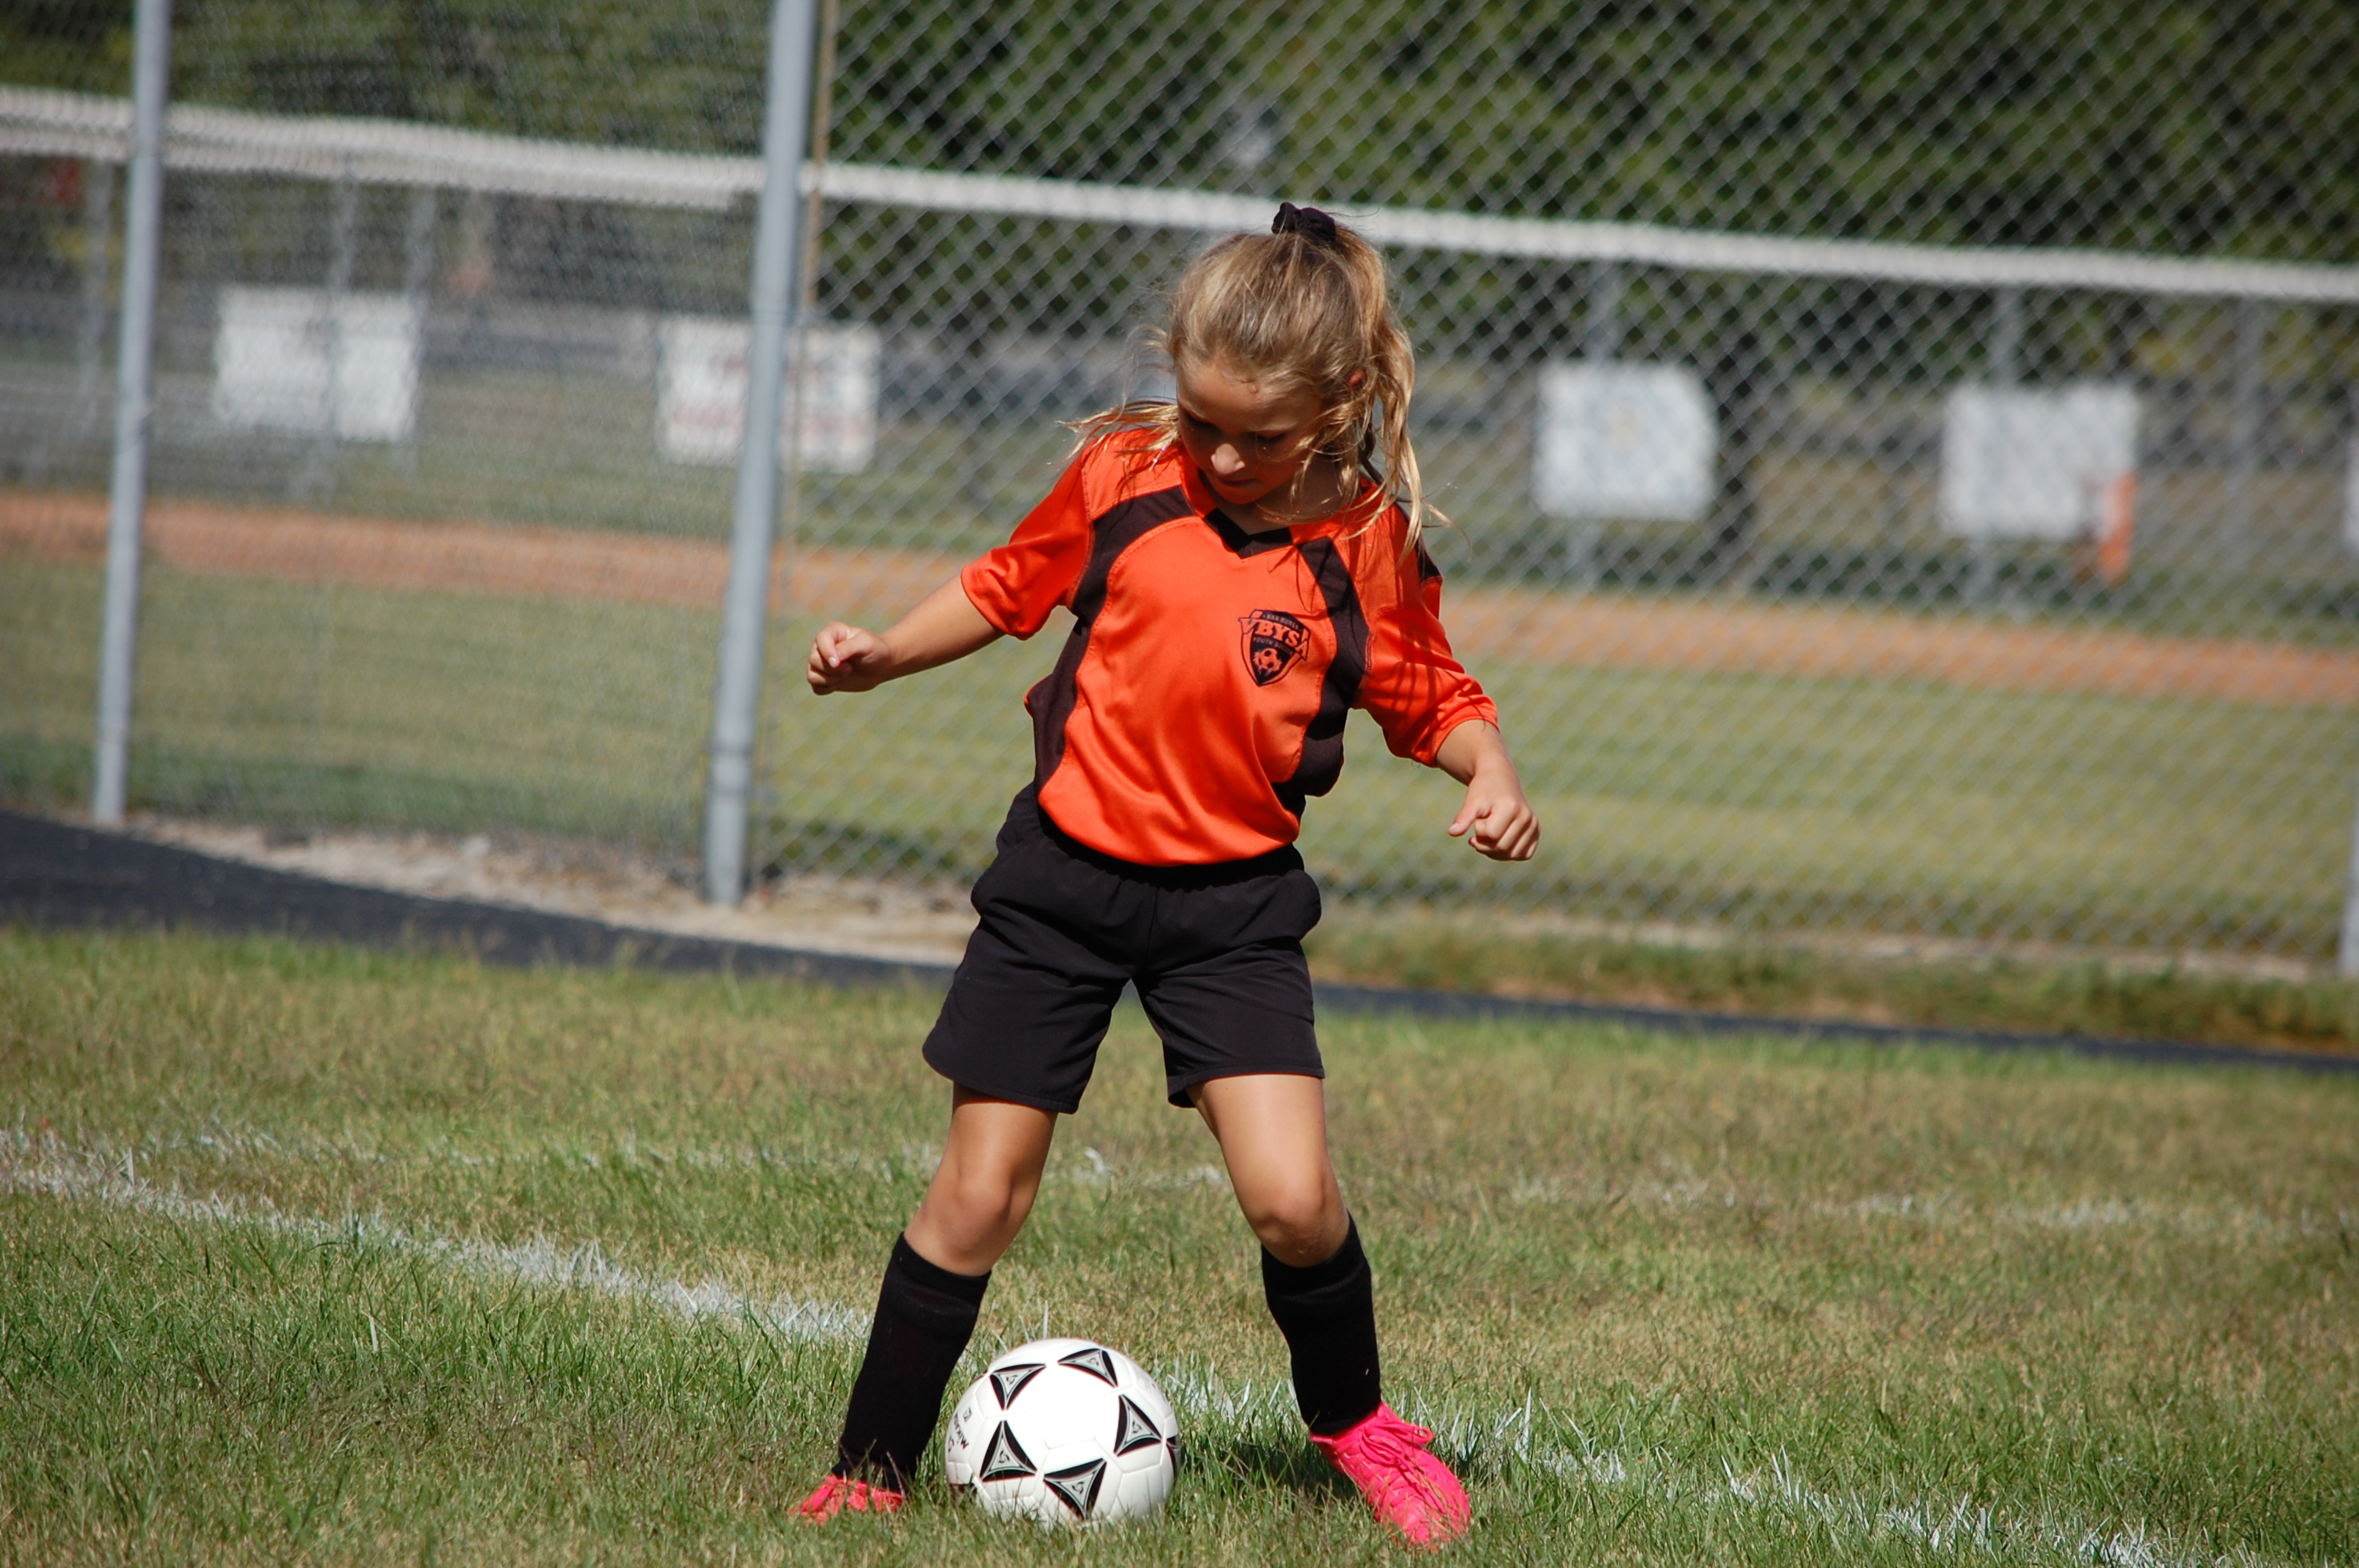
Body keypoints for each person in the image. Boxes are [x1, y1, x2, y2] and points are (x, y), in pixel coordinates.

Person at [793, 201, 1539, 1548]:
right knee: (978, 1196)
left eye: (1263, 435)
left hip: (1231, 912)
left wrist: (1489, 770)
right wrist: (883, 655)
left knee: (1294, 1202)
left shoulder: (1364, 541)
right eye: (1204, 422)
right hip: (1059, 887)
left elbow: (1430, 693)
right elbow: (1006, 584)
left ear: (1340, 403)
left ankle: (1360, 1427)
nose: (1226, 456)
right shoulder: (1127, 472)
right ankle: (870, 1469)